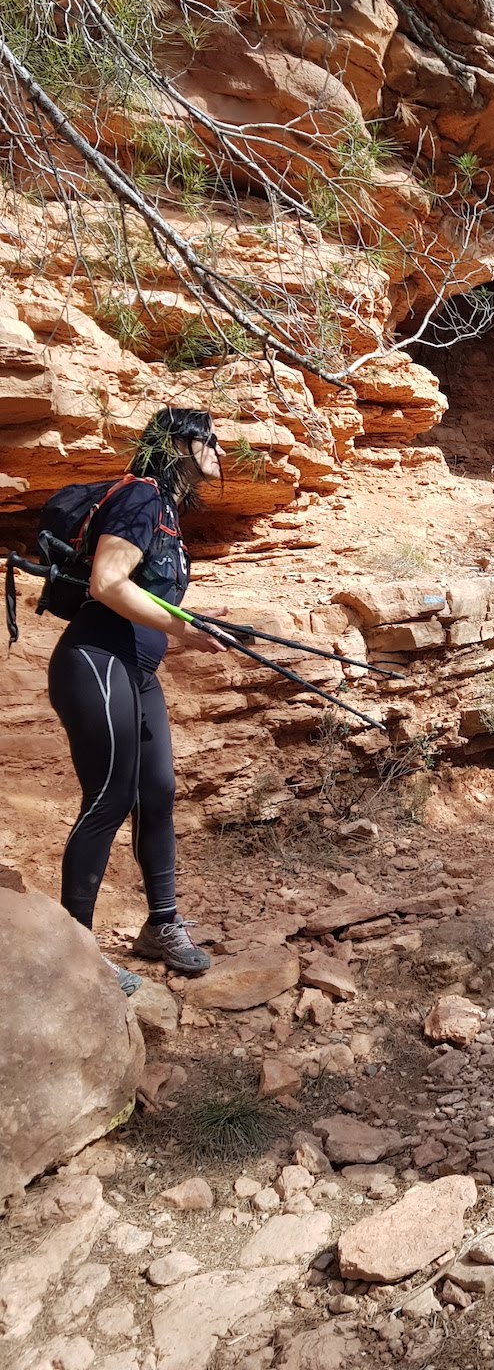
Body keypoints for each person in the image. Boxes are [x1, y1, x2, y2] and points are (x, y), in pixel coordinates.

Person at [49, 407, 229, 993]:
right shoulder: (143, 497)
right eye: (212, 442)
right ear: (181, 443)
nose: (221, 455)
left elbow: (150, 599)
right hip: (97, 663)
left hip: (135, 671)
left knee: (157, 792)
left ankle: (162, 924)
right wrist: (182, 629)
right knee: (109, 796)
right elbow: (106, 582)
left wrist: (194, 625)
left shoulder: (167, 513)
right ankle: (77, 951)